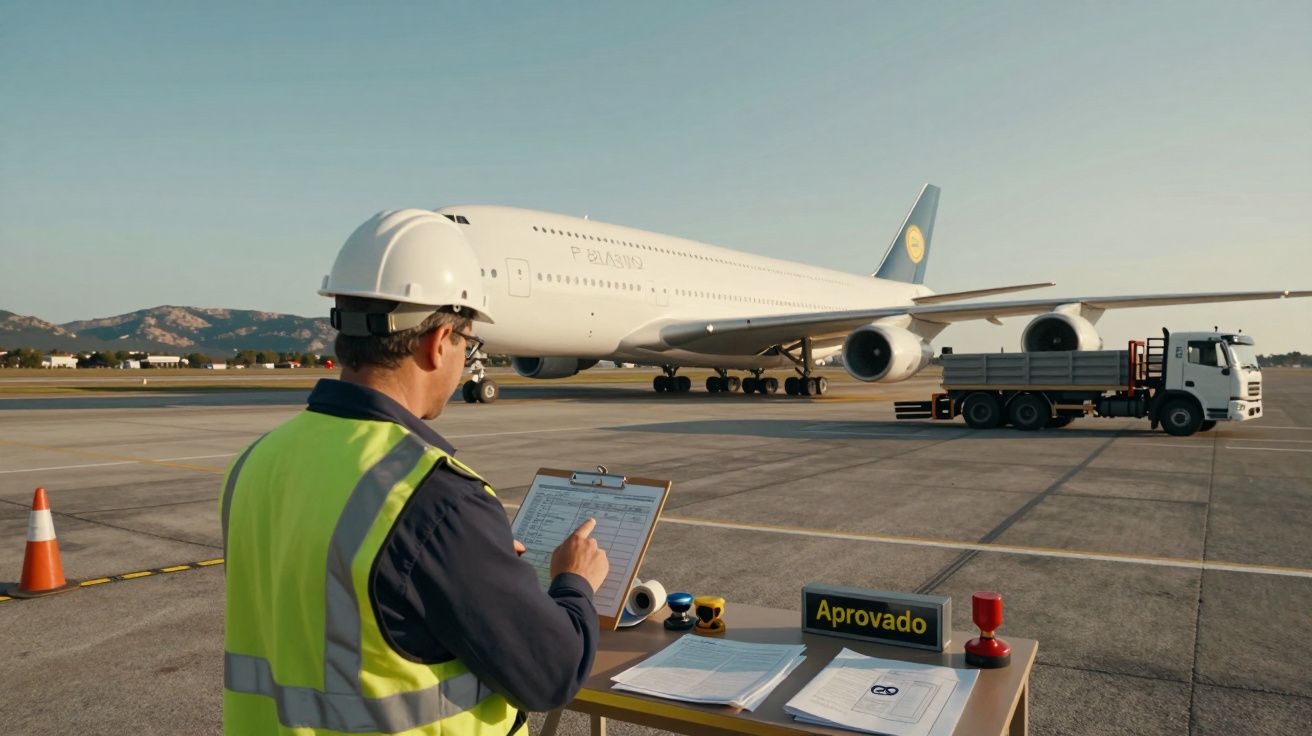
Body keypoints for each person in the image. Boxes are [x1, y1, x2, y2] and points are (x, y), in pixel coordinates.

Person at [220, 209, 609, 735]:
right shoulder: (433, 497)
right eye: (468, 344)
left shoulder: (256, 461)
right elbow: (550, 674)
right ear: (438, 340)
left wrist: (464, 562)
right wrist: (575, 582)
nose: (464, 356)